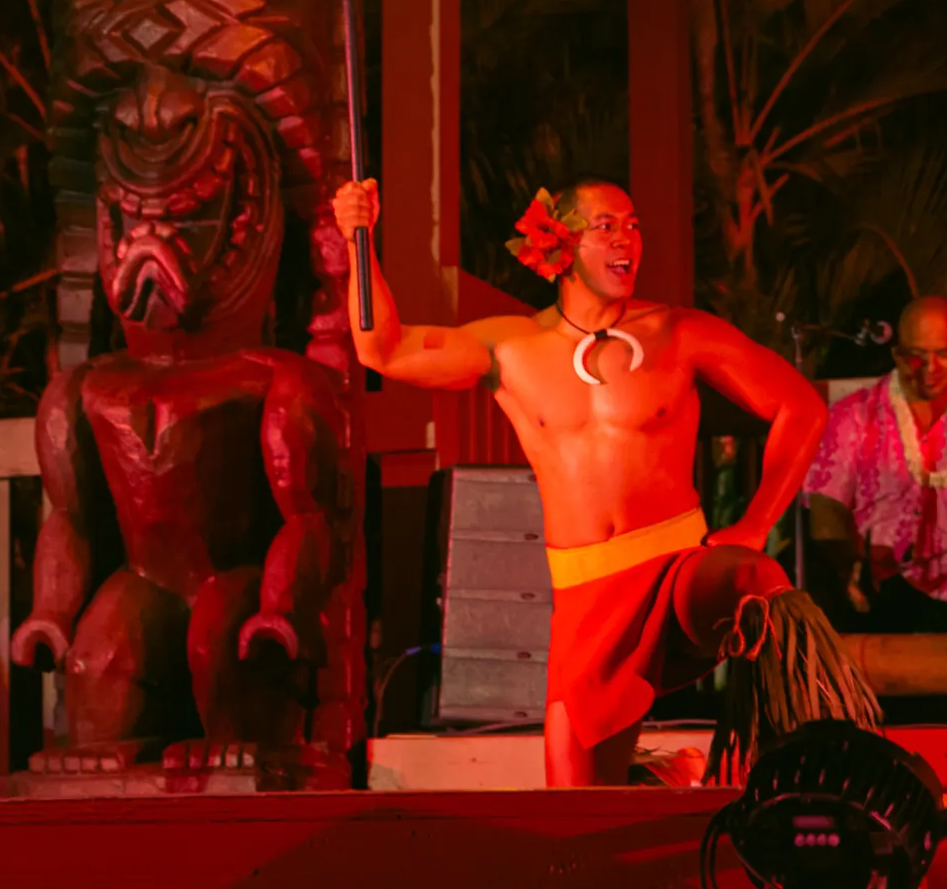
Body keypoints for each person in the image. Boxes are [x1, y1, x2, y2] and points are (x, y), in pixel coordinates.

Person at [331, 175, 879, 786]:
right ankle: (665, 777)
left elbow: (799, 407)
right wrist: (359, 238)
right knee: (576, 801)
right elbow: (383, 350)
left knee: (758, 582)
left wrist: (752, 526)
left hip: (678, 570)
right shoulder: (511, 347)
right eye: (607, 226)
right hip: (587, 599)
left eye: (634, 225)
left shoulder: (678, 333)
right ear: (560, 245)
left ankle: (818, 770)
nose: (628, 239)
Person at [805, 297, 947, 633]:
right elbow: (825, 518)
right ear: (896, 353)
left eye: (943, 354)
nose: (929, 368)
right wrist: (849, 566)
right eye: (915, 355)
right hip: (885, 596)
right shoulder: (853, 415)